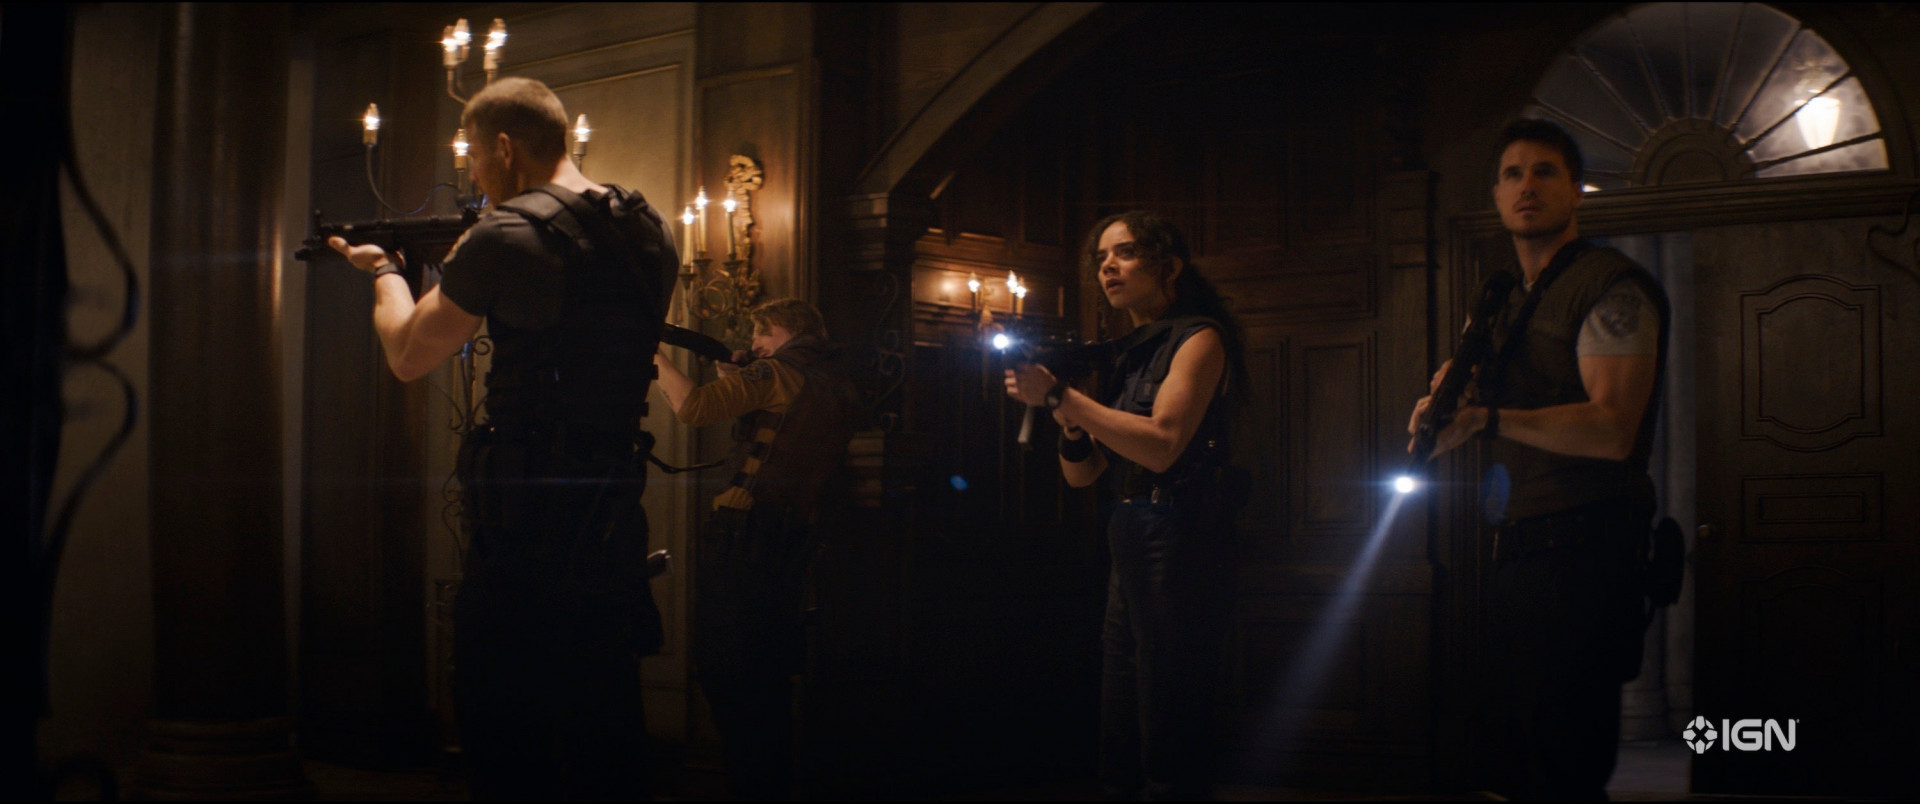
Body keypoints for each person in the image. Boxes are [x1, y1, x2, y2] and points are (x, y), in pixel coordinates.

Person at [328, 76, 677, 800]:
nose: (476, 177)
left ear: (506, 148)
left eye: (477, 159)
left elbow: (408, 355)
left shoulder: (505, 236)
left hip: (524, 514)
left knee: (501, 717)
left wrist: (386, 272)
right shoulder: (649, 229)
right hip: (612, 505)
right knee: (603, 715)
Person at [1406, 119, 1668, 800]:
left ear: (1576, 190)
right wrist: (1447, 400)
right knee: (1517, 757)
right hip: (1518, 546)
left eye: (1545, 171)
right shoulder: (1503, 299)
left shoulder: (1611, 286)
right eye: (1513, 174)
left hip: (1586, 546)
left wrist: (1487, 419)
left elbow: (1613, 430)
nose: (1528, 185)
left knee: (1566, 760)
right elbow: (1483, 393)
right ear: (1496, 196)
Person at [1004, 211, 1248, 800]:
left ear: (1169, 266)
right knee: (1123, 690)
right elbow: (1083, 474)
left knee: (1167, 690)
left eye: (1127, 252)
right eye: (1101, 258)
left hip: (1179, 529)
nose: (1108, 267)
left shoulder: (1200, 338)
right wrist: (1069, 421)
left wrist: (1061, 397)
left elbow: (1162, 446)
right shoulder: (1127, 353)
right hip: (1130, 526)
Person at [652, 299, 863, 800]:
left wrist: (652, 356)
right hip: (791, 538)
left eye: (762, 333)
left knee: (729, 671)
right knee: (764, 675)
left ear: (786, 330)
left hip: (744, 536)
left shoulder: (777, 371)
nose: (754, 345)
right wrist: (737, 377)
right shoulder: (833, 381)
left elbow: (694, 407)